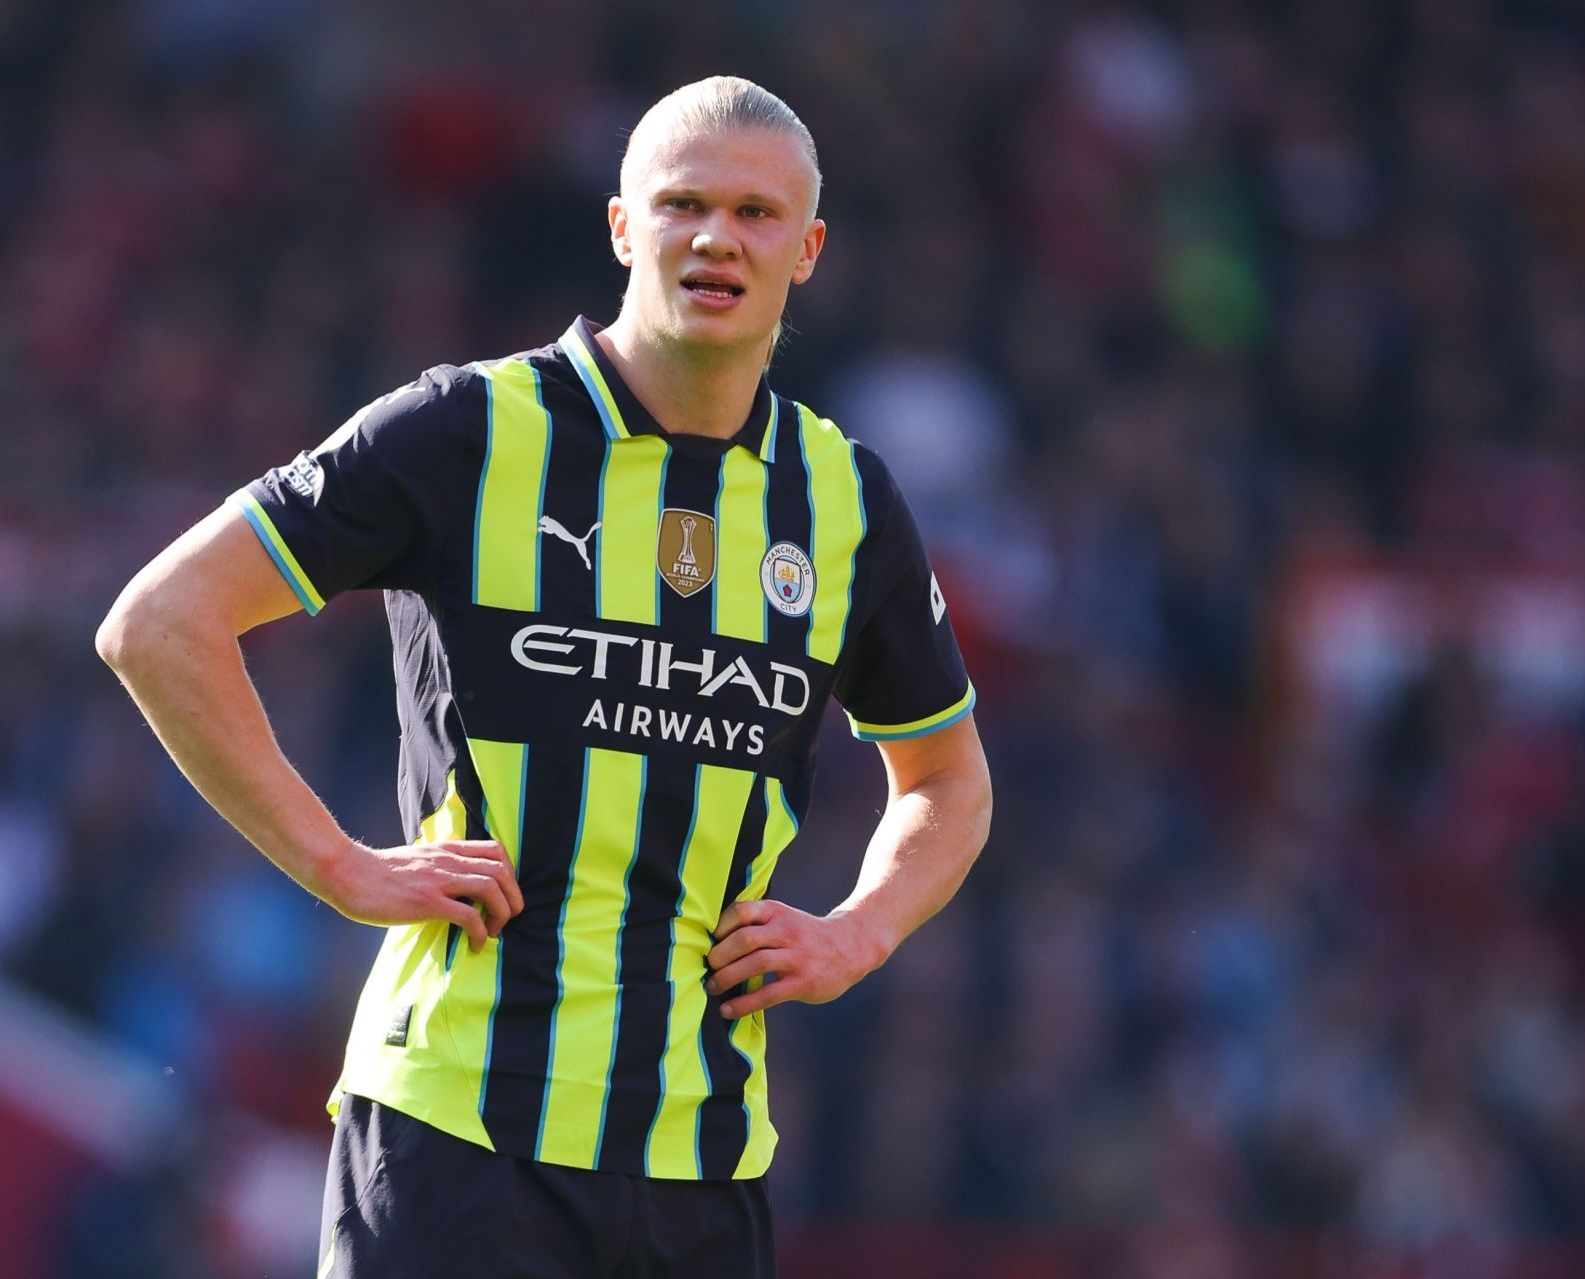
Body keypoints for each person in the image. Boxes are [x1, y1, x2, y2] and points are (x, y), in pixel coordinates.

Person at [96, 75, 992, 1279]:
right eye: (681, 204)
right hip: (459, 1132)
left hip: (701, 1157)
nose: (716, 237)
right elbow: (159, 623)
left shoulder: (844, 501)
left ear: (809, 249)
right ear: (624, 227)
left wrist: (860, 931)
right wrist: (340, 865)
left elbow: (944, 774)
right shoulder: (468, 430)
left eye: (755, 212)